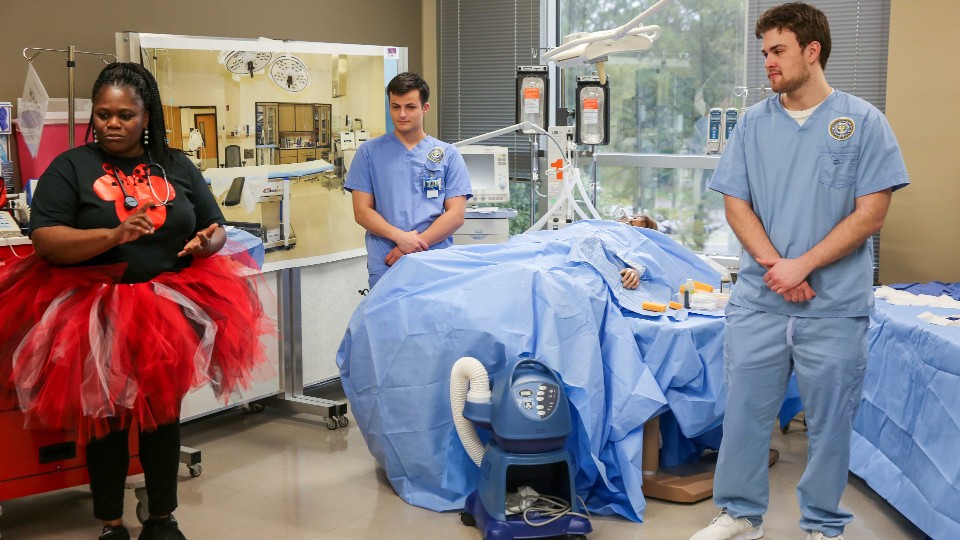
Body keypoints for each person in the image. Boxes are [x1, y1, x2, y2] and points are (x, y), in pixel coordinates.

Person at [0, 63, 273, 540]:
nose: (111, 123)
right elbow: (46, 240)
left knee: (161, 417)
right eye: (103, 114)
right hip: (93, 310)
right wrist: (113, 234)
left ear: (146, 117)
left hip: (168, 305)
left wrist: (206, 242)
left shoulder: (177, 164)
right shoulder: (71, 167)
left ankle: (162, 518)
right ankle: (110, 522)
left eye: (124, 114)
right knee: (105, 419)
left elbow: (215, 225)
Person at [690, 4, 908, 540]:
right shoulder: (753, 126)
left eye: (778, 50)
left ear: (812, 52)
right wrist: (777, 266)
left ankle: (821, 523)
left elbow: (872, 211)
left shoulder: (863, 123)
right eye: (764, 52)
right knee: (743, 416)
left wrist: (804, 265)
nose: (767, 62)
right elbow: (736, 203)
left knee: (830, 426)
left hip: (834, 307)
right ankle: (739, 515)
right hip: (762, 300)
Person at [345, 72, 472, 288]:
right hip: (387, 258)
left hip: (433, 256)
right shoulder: (369, 152)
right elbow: (362, 211)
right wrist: (399, 237)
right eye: (395, 107)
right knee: (387, 319)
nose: (402, 114)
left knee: (433, 318)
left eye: (410, 107)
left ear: (425, 108)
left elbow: (456, 214)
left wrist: (410, 245)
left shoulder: (448, 154)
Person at [618, 213, 659, 289]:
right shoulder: (609, 228)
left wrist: (635, 271)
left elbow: (643, 260)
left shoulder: (638, 245)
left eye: (631, 224)